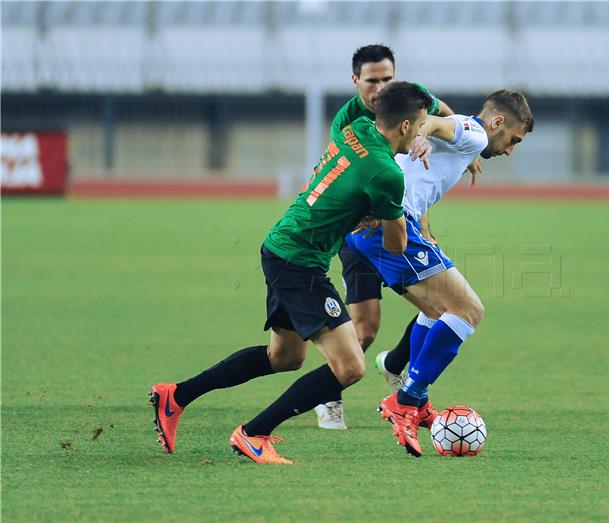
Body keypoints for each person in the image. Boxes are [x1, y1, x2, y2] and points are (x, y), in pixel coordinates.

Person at [149, 82, 432, 464]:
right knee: (350, 367)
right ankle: (254, 433)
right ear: (403, 127)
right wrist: (388, 215)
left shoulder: (356, 129)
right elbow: (396, 245)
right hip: (301, 262)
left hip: (282, 245)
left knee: (284, 357)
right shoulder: (386, 174)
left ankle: (176, 396)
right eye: (420, 125)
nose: (421, 132)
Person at [346, 89, 534, 456]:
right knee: (469, 311)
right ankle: (407, 399)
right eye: (513, 139)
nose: (510, 149)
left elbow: (431, 110)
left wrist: (432, 138)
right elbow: (434, 120)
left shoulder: (468, 139)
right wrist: (422, 133)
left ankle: (417, 401)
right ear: (497, 122)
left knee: (437, 311)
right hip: (393, 228)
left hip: (379, 227)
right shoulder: (475, 132)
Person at [315, 43, 480, 430]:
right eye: (372, 80)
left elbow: (443, 118)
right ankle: (329, 394)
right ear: (355, 81)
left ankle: (402, 380)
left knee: (439, 307)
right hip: (361, 226)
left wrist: (467, 149)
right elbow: (364, 179)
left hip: (392, 221)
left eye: (387, 78)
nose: (380, 87)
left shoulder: (410, 99)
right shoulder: (348, 122)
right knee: (365, 328)